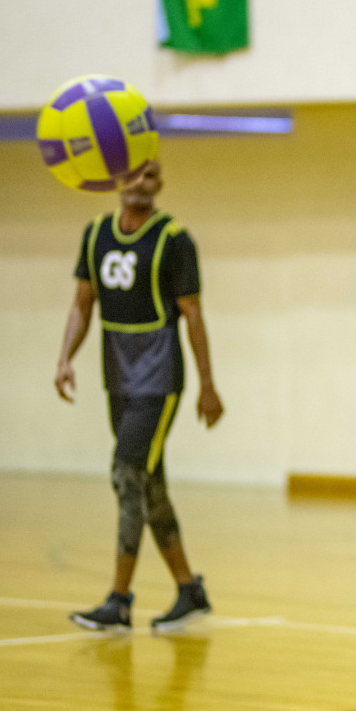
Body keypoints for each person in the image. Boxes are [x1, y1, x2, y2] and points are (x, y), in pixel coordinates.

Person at [54, 159, 225, 633]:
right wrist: (65, 357)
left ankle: (119, 600)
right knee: (150, 488)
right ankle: (189, 590)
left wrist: (207, 385)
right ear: (116, 181)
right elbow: (82, 305)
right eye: (133, 173)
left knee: (126, 474)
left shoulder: (175, 240)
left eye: (150, 175)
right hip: (118, 377)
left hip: (159, 379)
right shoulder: (95, 235)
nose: (140, 183)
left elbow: (193, 316)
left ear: (160, 185)